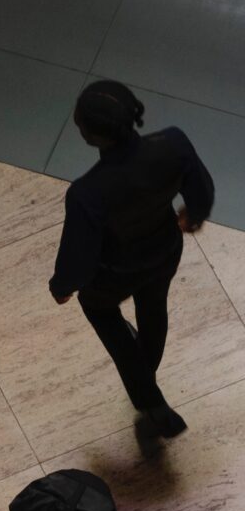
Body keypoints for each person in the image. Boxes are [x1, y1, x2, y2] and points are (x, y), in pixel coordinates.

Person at [49, 80, 215, 438]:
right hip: (164, 252)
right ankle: (147, 368)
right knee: (154, 307)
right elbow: (202, 187)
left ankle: (148, 398)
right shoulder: (173, 143)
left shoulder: (86, 193)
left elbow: (78, 255)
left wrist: (62, 287)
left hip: (114, 273)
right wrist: (194, 214)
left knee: (100, 312)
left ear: (90, 136)